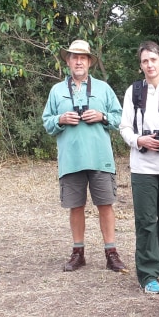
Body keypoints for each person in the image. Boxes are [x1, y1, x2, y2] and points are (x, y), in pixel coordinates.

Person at [42, 39, 127, 273]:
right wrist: (60, 119)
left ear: (90, 62)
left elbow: (120, 118)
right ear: (67, 61)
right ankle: (78, 253)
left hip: (100, 157)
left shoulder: (103, 88)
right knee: (75, 206)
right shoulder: (57, 91)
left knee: (105, 205)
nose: (78, 61)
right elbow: (47, 122)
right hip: (71, 159)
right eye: (74, 57)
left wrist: (102, 116)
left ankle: (111, 253)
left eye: (83, 57)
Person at [119, 41, 159, 294]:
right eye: (145, 61)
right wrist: (139, 140)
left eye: (153, 60)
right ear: (141, 66)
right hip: (143, 167)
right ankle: (147, 274)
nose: (150, 65)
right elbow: (124, 127)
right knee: (146, 221)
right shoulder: (133, 92)